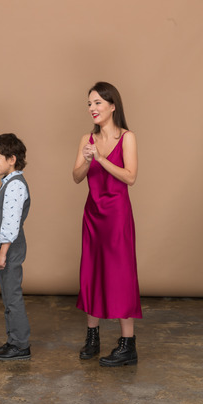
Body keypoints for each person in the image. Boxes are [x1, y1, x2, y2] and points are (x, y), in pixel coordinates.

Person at [73, 82, 142, 367]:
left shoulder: (128, 138)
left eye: (98, 103)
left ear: (113, 106)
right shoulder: (86, 139)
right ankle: (93, 336)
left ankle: (128, 345)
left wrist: (101, 158)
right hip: (93, 214)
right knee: (91, 272)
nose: (93, 108)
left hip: (117, 216)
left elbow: (130, 177)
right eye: (90, 103)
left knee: (120, 274)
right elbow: (76, 176)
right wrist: (89, 161)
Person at [0, 133, 31, 361]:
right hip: (5, 249)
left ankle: (21, 345)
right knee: (8, 296)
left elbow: (11, 224)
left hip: (11, 249)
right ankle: (13, 340)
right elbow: (1, 221)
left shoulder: (15, 186)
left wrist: (2, 253)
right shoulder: (9, 183)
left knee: (12, 297)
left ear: (11, 158)